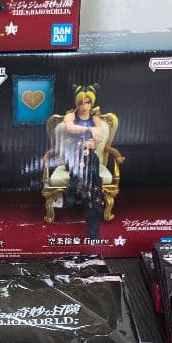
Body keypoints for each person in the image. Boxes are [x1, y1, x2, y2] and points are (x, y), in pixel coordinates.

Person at [60, 84, 106, 240]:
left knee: (93, 179)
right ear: (77, 102)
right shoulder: (71, 116)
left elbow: (98, 137)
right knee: (83, 164)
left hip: (90, 155)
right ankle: (74, 188)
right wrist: (88, 130)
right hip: (73, 156)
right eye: (81, 102)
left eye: (88, 102)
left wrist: (94, 141)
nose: (84, 106)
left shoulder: (95, 118)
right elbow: (70, 127)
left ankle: (94, 220)